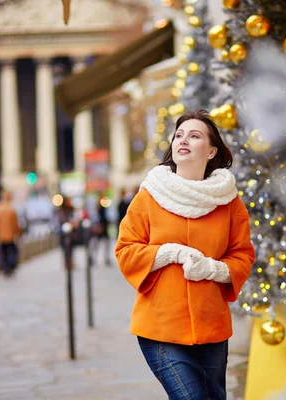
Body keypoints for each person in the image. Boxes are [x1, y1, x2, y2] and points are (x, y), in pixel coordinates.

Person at [115, 109, 255, 400]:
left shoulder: (229, 203)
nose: (184, 140)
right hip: (160, 329)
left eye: (194, 135)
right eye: (179, 135)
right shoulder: (149, 196)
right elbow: (126, 251)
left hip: (212, 327)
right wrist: (169, 253)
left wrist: (212, 269)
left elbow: (242, 256)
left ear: (212, 150)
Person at [0, 191, 22, 276]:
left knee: (3, 252)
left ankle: (5, 268)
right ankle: (11, 266)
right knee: (12, 251)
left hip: (1, 237)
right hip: (10, 236)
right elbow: (15, 224)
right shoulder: (11, 210)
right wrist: (18, 234)